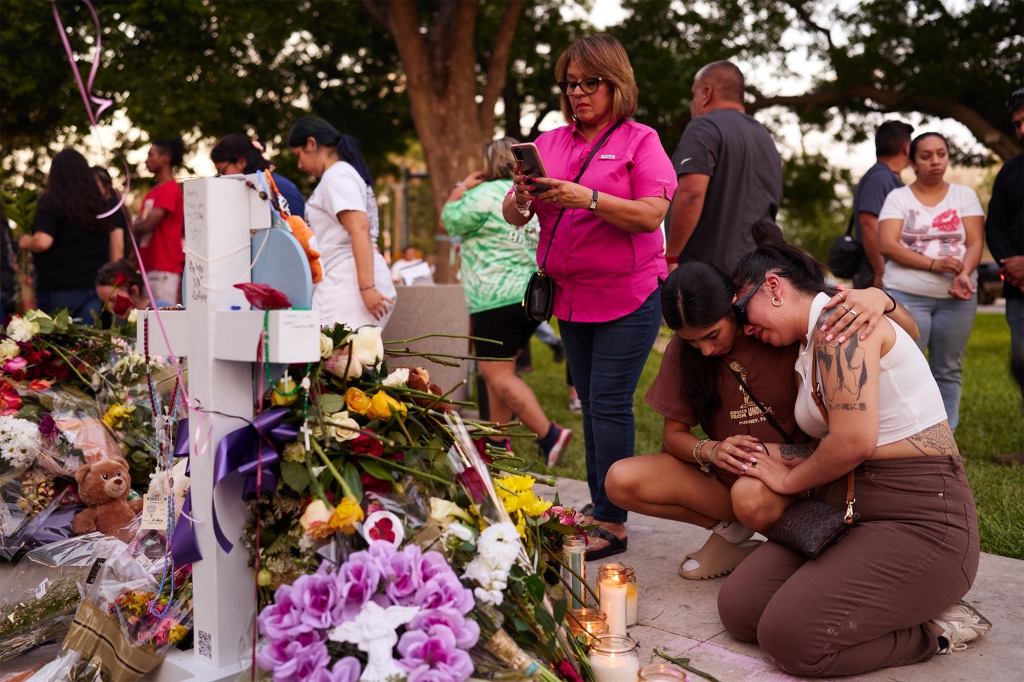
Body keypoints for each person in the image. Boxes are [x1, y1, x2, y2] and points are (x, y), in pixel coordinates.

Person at [716, 222, 987, 677]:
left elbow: (853, 441)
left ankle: (938, 628)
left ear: (774, 288)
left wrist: (787, 478)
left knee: (791, 640)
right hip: (845, 510)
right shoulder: (816, 336)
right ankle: (877, 596)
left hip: (919, 518)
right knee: (740, 610)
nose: (745, 327)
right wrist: (747, 452)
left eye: (742, 310)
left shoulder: (838, 325)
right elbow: (842, 441)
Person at [606, 263, 917, 580]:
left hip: (798, 478)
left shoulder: (776, 330)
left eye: (712, 335)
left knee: (750, 496)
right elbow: (673, 435)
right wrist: (711, 450)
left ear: (734, 306)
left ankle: (790, 545)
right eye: (693, 342)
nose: (707, 350)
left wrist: (881, 298)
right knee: (621, 480)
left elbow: (908, 333)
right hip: (730, 484)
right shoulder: (685, 352)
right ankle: (731, 531)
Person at [502, 34, 676, 559]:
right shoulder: (550, 141)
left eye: (589, 83)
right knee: (593, 408)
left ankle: (612, 520)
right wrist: (521, 197)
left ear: (615, 84)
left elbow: (651, 213)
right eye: (569, 83)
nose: (578, 93)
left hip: (628, 295)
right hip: (568, 297)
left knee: (607, 404)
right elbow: (514, 216)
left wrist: (589, 198)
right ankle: (601, 504)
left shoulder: (641, 140)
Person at [442, 138, 572, 465]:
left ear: (488, 162)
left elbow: (449, 221)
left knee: (497, 374)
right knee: (500, 372)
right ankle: (498, 446)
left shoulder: (482, 195)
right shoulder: (529, 193)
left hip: (493, 298)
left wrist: (460, 187)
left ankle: (549, 435)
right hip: (530, 296)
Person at [878, 132, 985, 432]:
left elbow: (975, 242)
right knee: (903, 367)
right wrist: (934, 264)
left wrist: (964, 273)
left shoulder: (964, 196)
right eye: (926, 156)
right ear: (912, 161)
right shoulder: (898, 198)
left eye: (941, 153)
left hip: (958, 300)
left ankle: (944, 440)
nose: (935, 161)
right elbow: (887, 244)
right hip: (907, 296)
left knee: (949, 369)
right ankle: (904, 436)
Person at [664, 61, 782, 274]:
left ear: (706, 94)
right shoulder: (765, 138)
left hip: (709, 277)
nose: (693, 102)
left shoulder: (703, 126)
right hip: (760, 273)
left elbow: (691, 194)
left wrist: (671, 256)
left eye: (694, 94)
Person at [288, 116, 396, 329]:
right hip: (350, 279)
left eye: (298, 156)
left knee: (337, 358)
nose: (299, 165)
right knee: (349, 358)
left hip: (348, 282)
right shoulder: (342, 175)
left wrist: (366, 288)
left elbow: (360, 227)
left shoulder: (337, 177)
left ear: (311, 143)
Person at [18, 149, 115, 319]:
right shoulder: (99, 205)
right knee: (87, 342)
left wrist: (26, 241)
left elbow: (42, 242)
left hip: (59, 287)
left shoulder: (51, 201)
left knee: (59, 343)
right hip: (93, 285)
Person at [986, 89, 1024, 437]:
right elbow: (994, 226)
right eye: (1017, 124)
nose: (1023, 130)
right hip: (1018, 290)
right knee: (1022, 363)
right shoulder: (1011, 171)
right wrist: (1011, 264)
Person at [849, 120, 914, 289]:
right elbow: (868, 224)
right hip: (877, 272)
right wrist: (881, 272)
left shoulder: (885, 178)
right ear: (906, 148)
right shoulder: (880, 178)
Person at [133, 137, 185, 305]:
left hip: (164, 269)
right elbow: (138, 227)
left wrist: (139, 224)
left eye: (151, 155)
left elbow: (146, 225)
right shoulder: (152, 193)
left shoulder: (171, 189)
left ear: (165, 159)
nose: (147, 160)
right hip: (147, 267)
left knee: (163, 320)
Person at [210, 134, 306, 219]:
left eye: (223, 171)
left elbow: (295, 235)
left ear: (241, 162)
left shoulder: (281, 190)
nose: (221, 177)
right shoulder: (250, 190)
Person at [95, 260, 174, 321]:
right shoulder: (118, 318)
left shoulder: (164, 312)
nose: (109, 308)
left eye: (114, 300)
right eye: (104, 302)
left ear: (134, 291)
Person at [92, 166, 131, 264]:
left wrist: (112, 276)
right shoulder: (110, 207)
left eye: (94, 183)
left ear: (107, 187)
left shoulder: (111, 207)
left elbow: (118, 247)